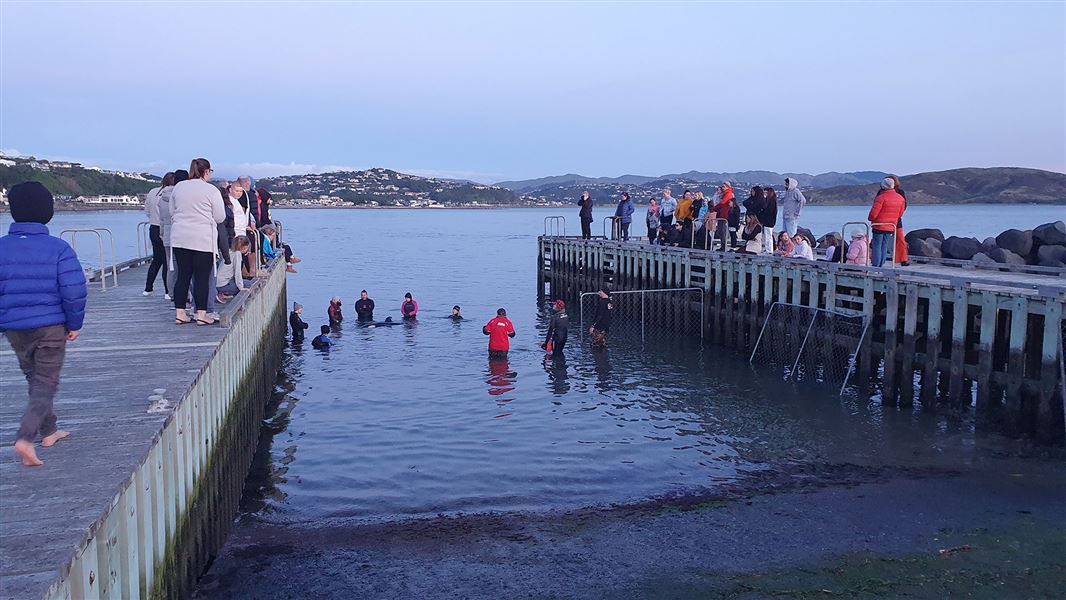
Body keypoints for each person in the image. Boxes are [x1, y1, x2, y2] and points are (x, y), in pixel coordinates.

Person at [0, 182, 88, 467]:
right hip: (51, 326)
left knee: (34, 378)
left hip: (15, 328)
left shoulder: (2, 247)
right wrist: (74, 323)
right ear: (47, 212)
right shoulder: (58, 249)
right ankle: (26, 438)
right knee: (45, 382)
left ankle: (49, 431)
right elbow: (73, 290)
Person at [171, 158, 225, 326]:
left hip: (180, 237)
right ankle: (201, 315)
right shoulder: (211, 190)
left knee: (183, 276)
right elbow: (219, 217)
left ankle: (180, 313)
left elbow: (172, 211)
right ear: (206, 172)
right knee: (201, 277)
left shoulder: (179, 187)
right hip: (202, 238)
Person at [143, 172, 173, 297]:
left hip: (153, 228)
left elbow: (147, 210)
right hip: (166, 228)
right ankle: (167, 291)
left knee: (156, 259)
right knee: (167, 261)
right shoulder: (172, 193)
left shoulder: (152, 192)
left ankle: (148, 288)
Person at [159, 169, 187, 300]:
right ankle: (185, 294)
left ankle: (171, 294)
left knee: (170, 267)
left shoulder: (162, 197)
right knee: (183, 267)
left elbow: (161, 219)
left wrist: (162, 233)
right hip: (181, 235)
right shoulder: (181, 196)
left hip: (167, 236)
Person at [868, 177, 907, 267]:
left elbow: (873, 214)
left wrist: (871, 219)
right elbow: (900, 214)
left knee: (877, 245)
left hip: (879, 225)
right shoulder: (900, 198)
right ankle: (882, 264)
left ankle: (876, 265)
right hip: (891, 225)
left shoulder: (881, 197)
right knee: (884, 245)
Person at [215, 235, 251, 300]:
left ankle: (223, 293)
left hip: (218, 283)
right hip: (223, 285)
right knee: (247, 283)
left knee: (243, 282)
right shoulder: (237, 254)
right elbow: (237, 273)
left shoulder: (230, 251)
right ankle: (223, 293)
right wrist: (241, 287)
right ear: (244, 247)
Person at [889, 175, 910, 266]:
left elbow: (904, 206)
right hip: (892, 219)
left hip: (896, 219)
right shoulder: (881, 192)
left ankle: (903, 259)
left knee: (900, 239)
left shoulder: (900, 192)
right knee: (882, 239)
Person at [760, 186, 778, 254]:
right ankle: (768, 249)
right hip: (768, 220)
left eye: (766, 192)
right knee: (767, 236)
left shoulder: (772, 201)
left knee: (768, 236)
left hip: (769, 221)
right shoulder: (770, 200)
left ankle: (769, 250)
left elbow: (768, 211)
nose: (764, 194)